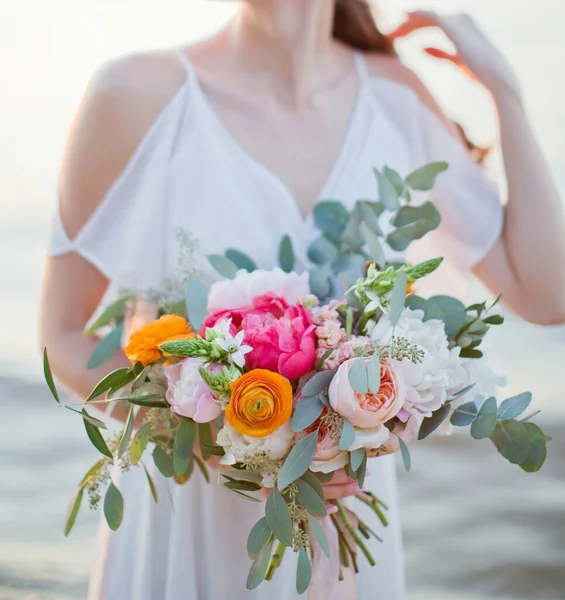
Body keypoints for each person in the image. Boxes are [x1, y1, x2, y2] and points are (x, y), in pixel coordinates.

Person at [39, 1, 565, 599]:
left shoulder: (394, 96)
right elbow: (62, 333)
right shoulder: (136, 95)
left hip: (345, 535)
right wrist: (235, 446)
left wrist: (506, 92)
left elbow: (545, 294)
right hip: (188, 519)